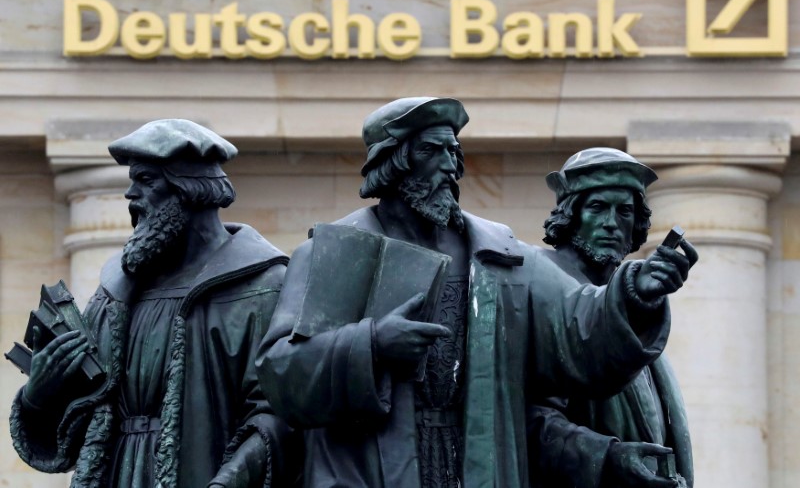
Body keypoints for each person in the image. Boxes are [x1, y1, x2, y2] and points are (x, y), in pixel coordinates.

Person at [255, 97, 697, 488]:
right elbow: (282, 374)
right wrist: (373, 345)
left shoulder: (498, 256)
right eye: (432, 151)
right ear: (393, 162)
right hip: (368, 471)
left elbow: (576, 328)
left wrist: (634, 292)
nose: (450, 166)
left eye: (454, 151)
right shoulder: (334, 252)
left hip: (478, 465)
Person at [10, 119, 298, 487]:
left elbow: (280, 413)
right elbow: (77, 431)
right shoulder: (114, 295)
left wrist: (230, 480)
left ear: (190, 191)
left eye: (146, 180)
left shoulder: (262, 287)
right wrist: (38, 398)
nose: (130, 195)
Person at [527, 148, 692, 488]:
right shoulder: (540, 287)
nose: (611, 223)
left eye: (625, 211)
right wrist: (608, 458)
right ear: (571, 214)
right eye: (598, 207)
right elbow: (524, 419)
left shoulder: (632, 305)